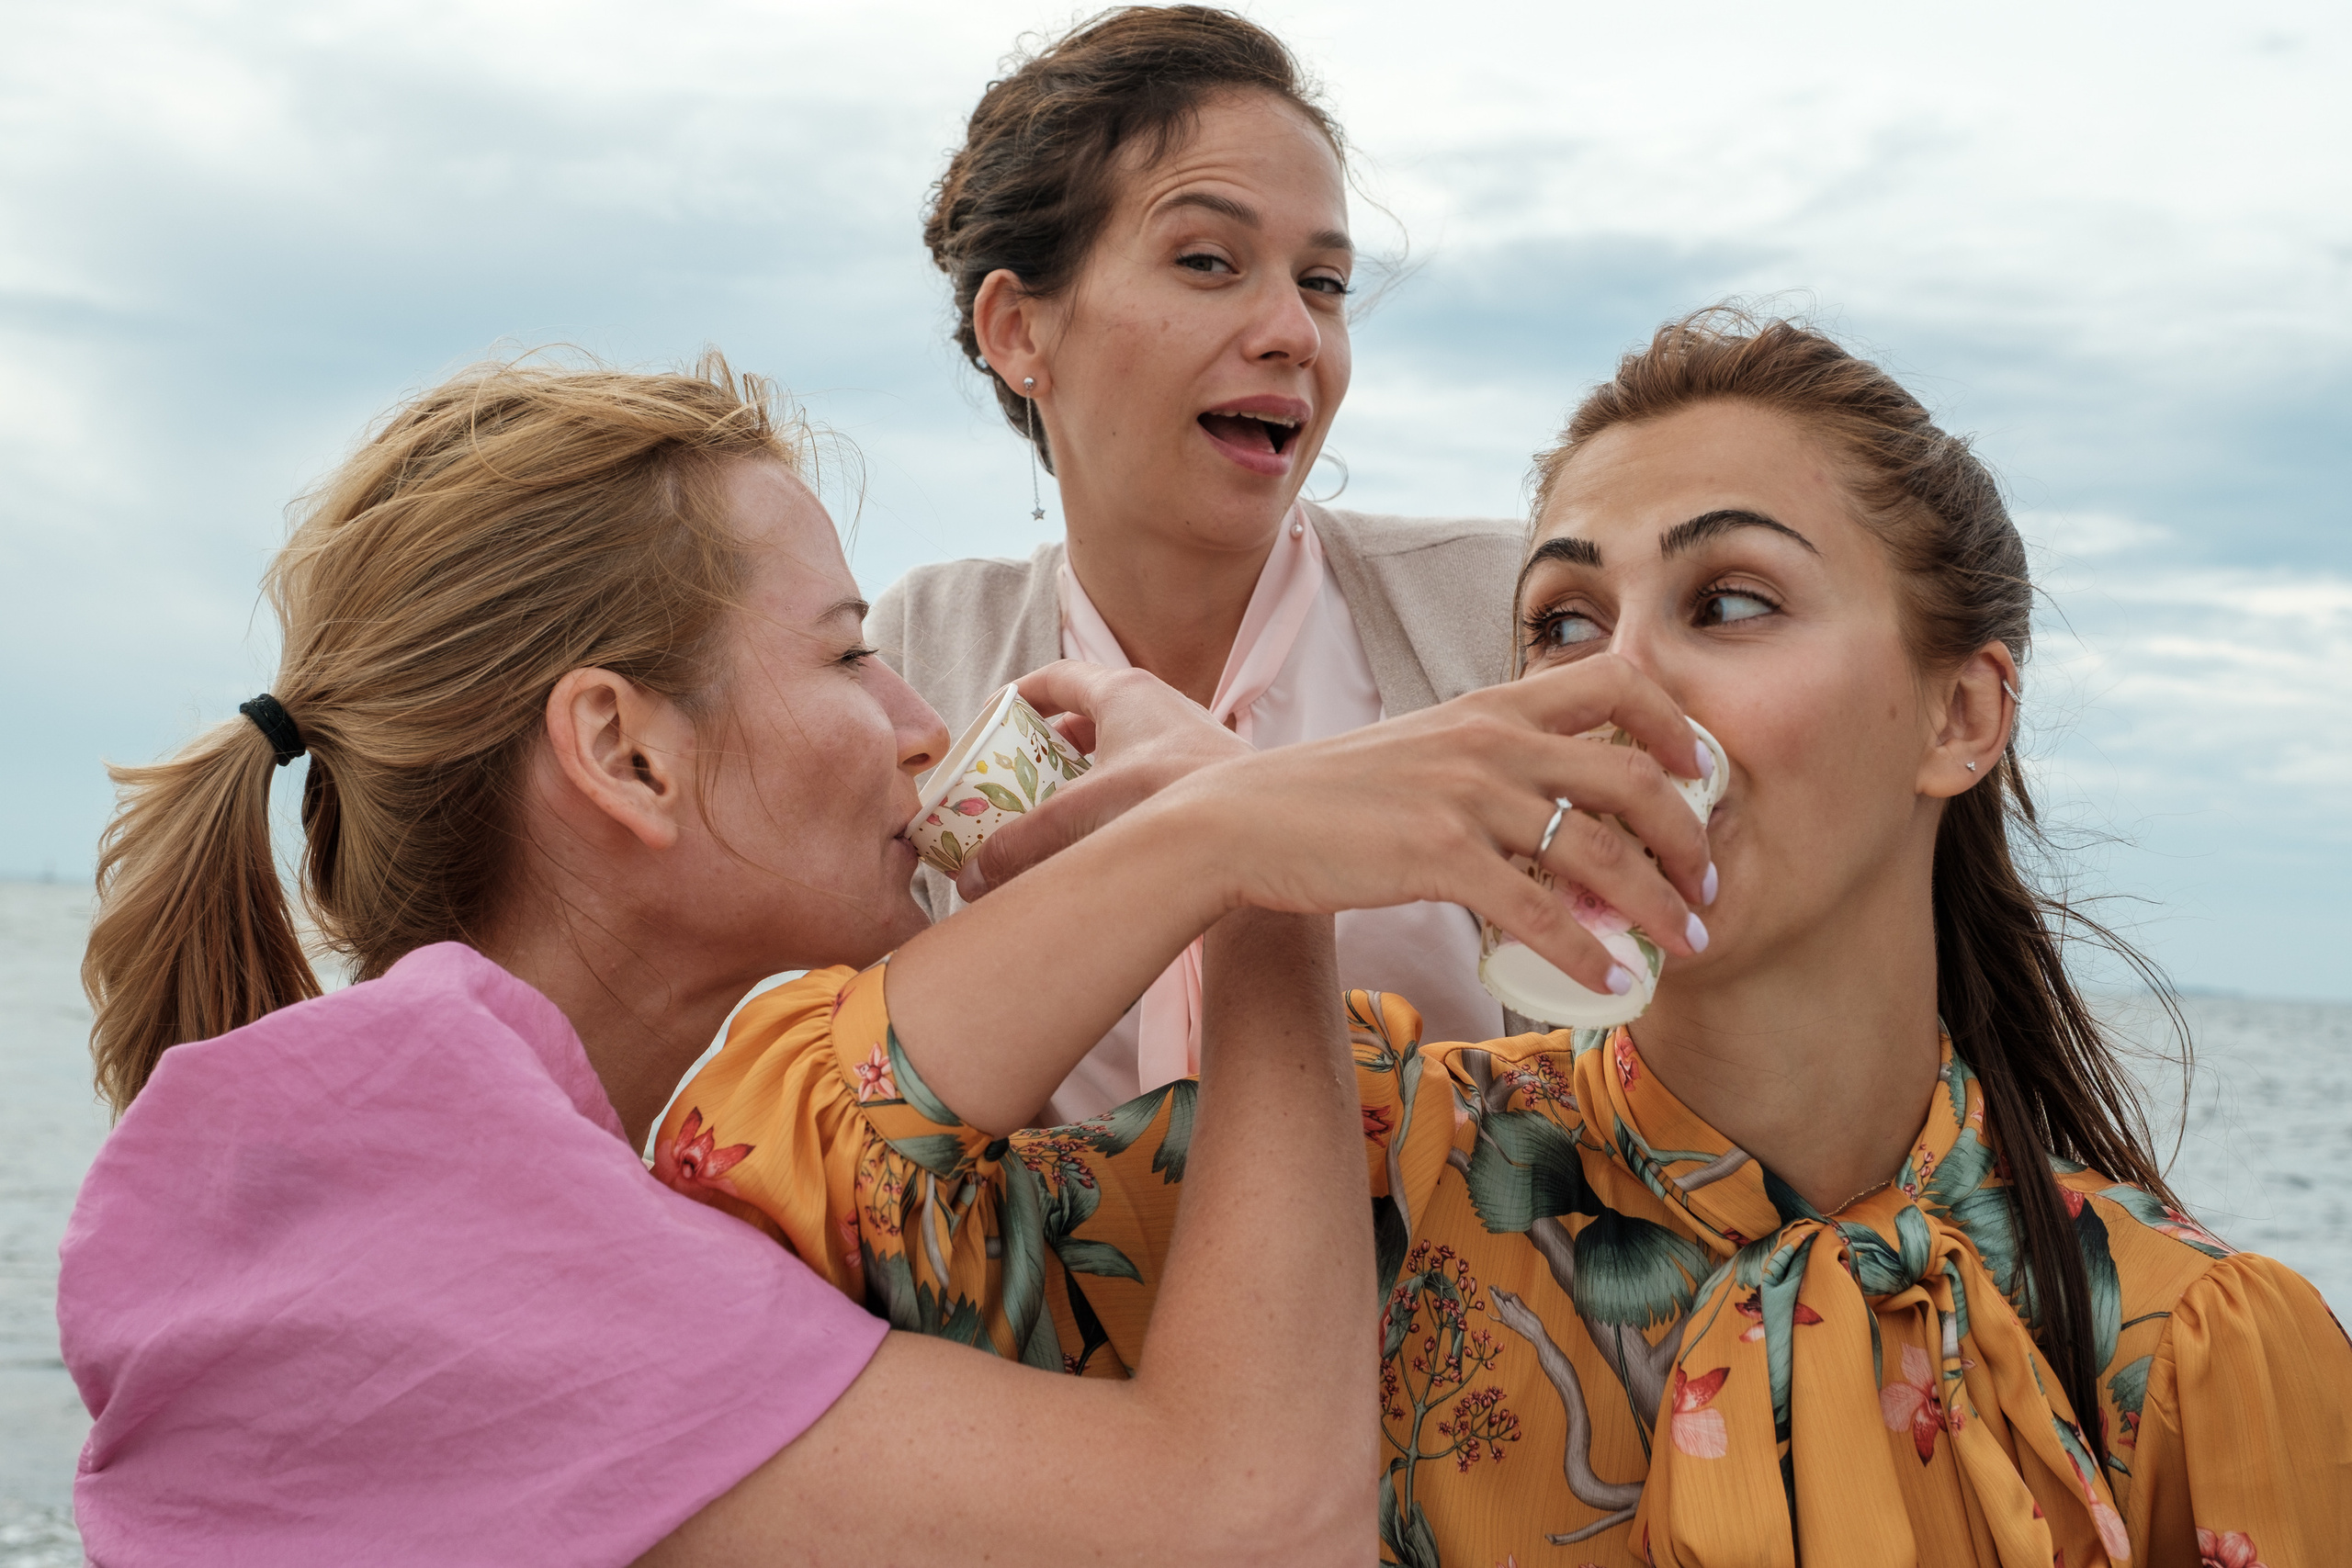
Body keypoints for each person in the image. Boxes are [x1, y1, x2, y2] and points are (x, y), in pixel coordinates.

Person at [662, 312, 2352, 1566]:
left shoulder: (2194, 1345)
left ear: (1960, 714)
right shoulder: (1372, 1158)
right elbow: (753, 1226)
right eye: (1559, 623)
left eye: (1731, 602)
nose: (1612, 683)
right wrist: (1224, 851)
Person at [59, 353, 1713, 1567]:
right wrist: (1252, 860)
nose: (923, 723)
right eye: (852, 655)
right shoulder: (434, 1191)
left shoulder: (453, 1151)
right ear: (624, 754)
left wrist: (1233, 838)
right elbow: (1253, 1521)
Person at [879, 5, 1524, 1120]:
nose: (1294, 332)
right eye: (1208, 261)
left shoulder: (1502, 611)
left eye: (1322, 283)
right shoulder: (920, 656)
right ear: (1018, 331)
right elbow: (850, 1088)